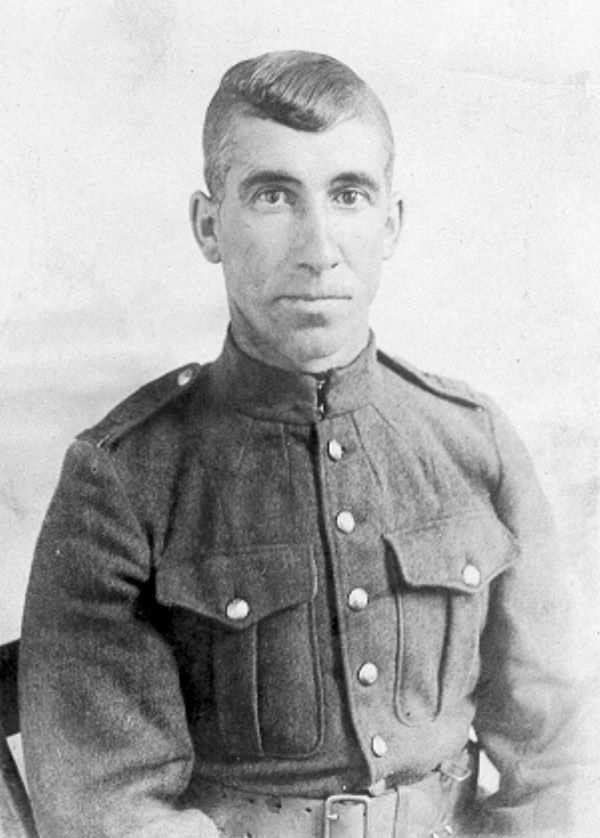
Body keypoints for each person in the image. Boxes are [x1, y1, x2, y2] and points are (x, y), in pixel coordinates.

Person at [19, 50, 588, 838]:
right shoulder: (124, 477)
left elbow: (561, 755)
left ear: (390, 224)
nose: (318, 246)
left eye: (348, 195)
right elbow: (110, 805)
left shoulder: (473, 443)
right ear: (209, 226)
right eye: (273, 196)